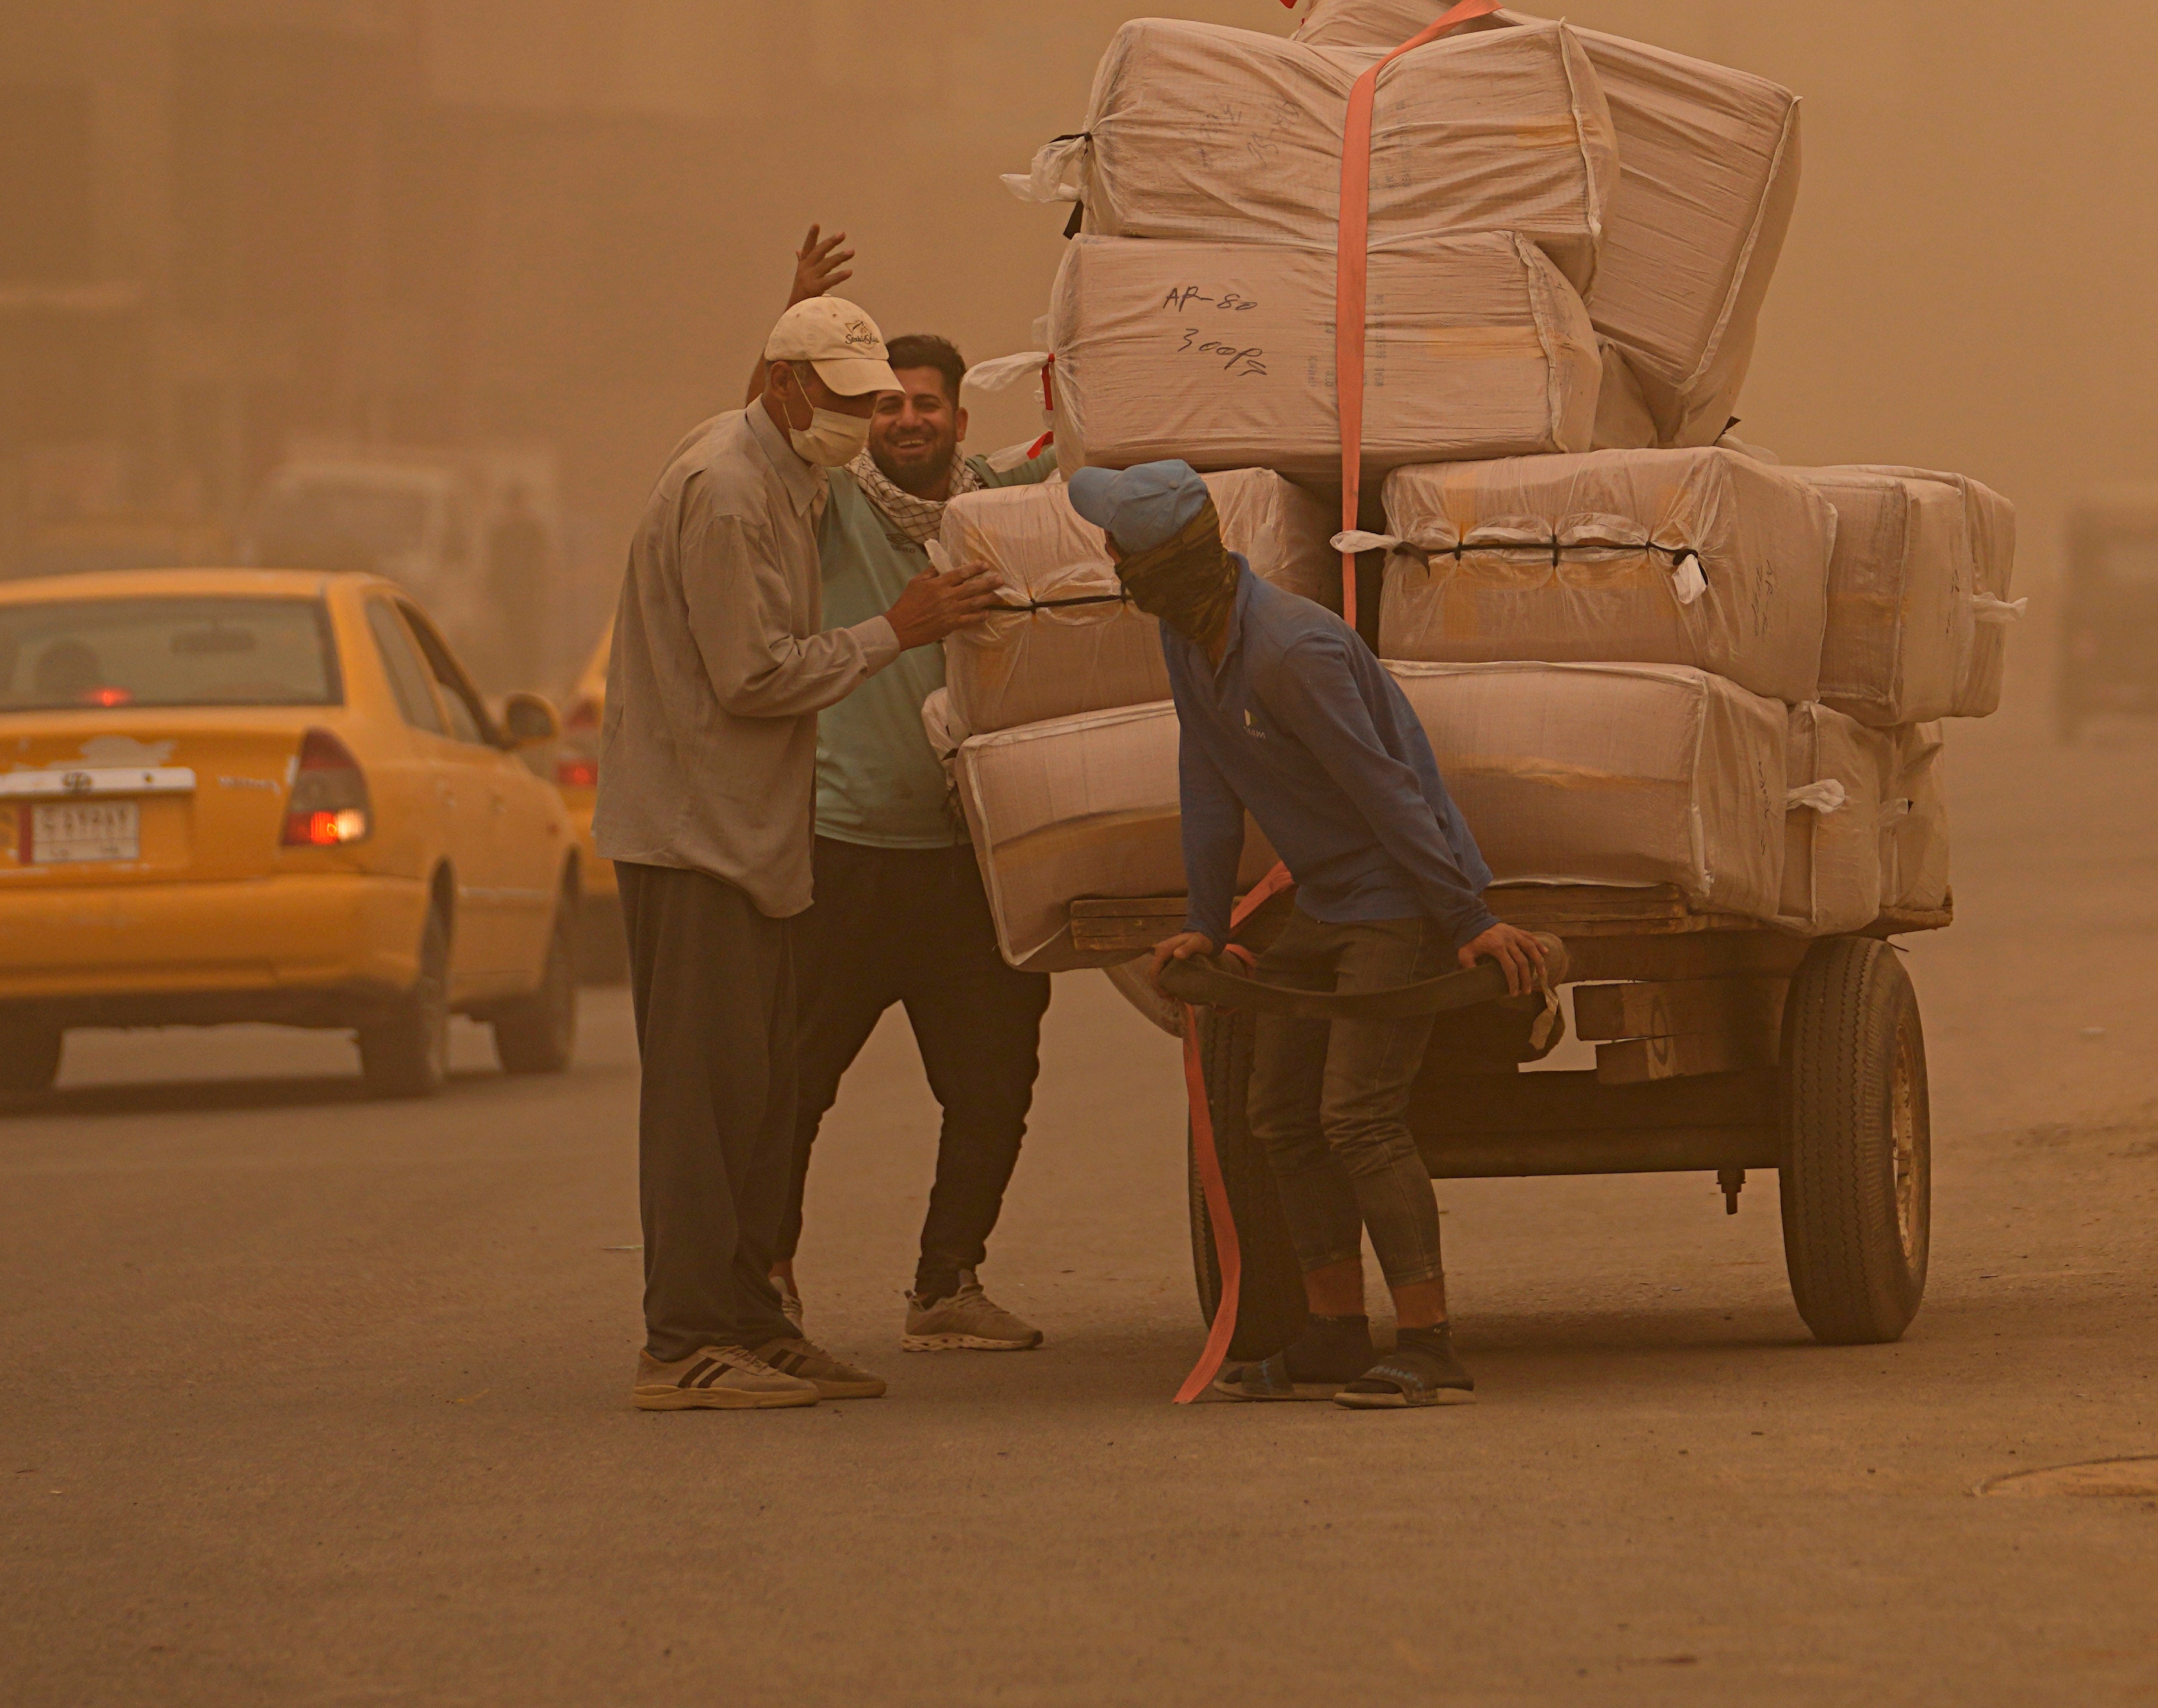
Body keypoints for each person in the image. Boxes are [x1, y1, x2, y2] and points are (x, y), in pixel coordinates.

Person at [1067, 458, 1549, 1411]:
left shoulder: (1291, 652)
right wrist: (1205, 926)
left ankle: (1430, 1342)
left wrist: (1468, 919)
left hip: (1397, 898)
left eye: (1118, 550)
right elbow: (1207, 783)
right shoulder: (1189, 637)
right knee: (1279, 1113)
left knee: (1357, 1116)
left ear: (1160, 569)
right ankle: (1335, 1330)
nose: (1109, 561)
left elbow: (1391, 791)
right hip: (1330, 898)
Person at [594, 289, 1002, 1411]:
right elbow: (753, 674)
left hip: (747, 835)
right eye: (849, 400)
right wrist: (897, 630)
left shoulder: (784, 469)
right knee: (701, 1101)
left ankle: (746, 1321)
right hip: (698, 838)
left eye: (879, 401)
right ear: (787, 389)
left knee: (751, 1096)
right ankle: (682, 1345)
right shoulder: (729, 492)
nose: (869, 420)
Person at [755, 231, 1062, 1353]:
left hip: (970, 862)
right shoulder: (832, 504)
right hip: (845, 852)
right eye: (888, 406)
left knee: (995, 1082)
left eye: (927, 404)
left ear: (959, 422)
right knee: (793, 1087)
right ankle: (767, 1277)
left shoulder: (1003, 505)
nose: (909, 422)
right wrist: (790, 329)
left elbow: (1098, 446)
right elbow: (770, 436)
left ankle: (948, 1283)